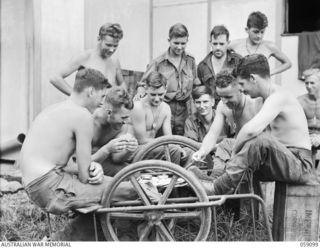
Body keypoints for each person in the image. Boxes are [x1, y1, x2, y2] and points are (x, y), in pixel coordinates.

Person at [20, 67, 136, 240]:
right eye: (102, 96)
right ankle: (60, 241)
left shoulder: (55, 108)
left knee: (109, 186)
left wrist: (93, 166)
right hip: (48, 187)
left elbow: (66, 162)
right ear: (90, 91)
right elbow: (84, 176)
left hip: (34, 183)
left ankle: (63, 239)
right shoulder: (82, 116)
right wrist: (92, 170)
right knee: (130, 189)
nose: (102, 103)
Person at [190, 54, 315, 195]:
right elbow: (218, 135)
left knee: (259, 139)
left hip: (299, 165)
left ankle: (217, 187)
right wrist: (208, 151)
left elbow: (250, 131)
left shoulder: (279, 96)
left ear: (253, 79)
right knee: (227, 143)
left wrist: (235, 154)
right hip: (280, 159)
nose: (242, 90)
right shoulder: (264, 99)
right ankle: (214, 179)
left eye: (242, 84)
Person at [136, 23, 200, 135]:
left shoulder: (191, 60)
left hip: (185, 110)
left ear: (187, 41)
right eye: (176, 43)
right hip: (163, 108)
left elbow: (195, 85)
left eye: (183, 43)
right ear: (169, 40)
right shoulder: (158, 62)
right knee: (163, 140)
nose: (179, 47)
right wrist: (140, 99)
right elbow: (143, 84)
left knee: (182, 140)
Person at [50, 23, 126, 96]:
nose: (111, 50)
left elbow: (122, 84)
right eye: (108, 45)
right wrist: (76, 97)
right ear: (99, 39)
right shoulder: (85, 57)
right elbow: (55, 78)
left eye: (115, 46)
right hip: (86, 108)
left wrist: (125, 100)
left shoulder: (115, 61)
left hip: (105, 108)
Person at [130, 71, 181, 164]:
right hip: (135, 150)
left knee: (188, 152)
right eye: (153, 94)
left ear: (165, 89)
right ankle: (172, 175)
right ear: (146, 89)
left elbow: (169, 137)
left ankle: (183, 175)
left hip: (153, 148)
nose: (157, 99)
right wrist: (169, 145)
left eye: (160, 94)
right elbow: (141, 140)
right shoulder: (138, 107)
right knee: (174, 150)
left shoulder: (166, 108)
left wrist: (177, 146)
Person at [90, 86, 138, 176]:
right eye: (123, 117)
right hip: (82, 166)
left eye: (128, 117)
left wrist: (129, 150)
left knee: (134, 174)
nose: (127, 121)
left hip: (103, 163)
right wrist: (107, 149)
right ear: (109, 112)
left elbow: (116, 159)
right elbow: (76, 164)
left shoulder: (120, 126)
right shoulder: (89, 121)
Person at [229, 11, 291, 76]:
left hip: (261, 85)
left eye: (262, 32)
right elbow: (220, 52)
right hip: (241, 84)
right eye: (256, 32)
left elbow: (288, 63)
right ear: (247, 30)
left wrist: (269, 73)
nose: (259, 36)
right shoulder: (235, 44)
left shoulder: (269, 46)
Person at [197, 25, 242, 104]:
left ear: (228, 43)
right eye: (215, 43)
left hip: (233, 106)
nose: (218, 47)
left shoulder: (237, 61)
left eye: (221, 44)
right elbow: (201, 93)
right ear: (210, 43)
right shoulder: (202, 66)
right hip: (212, 109)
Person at [298, 68, 320, 167]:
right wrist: (307, 137)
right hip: (306, 137)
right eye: (306, 83)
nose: (309, 86)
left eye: (312, 83)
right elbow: (296, 125)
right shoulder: (300, 101)